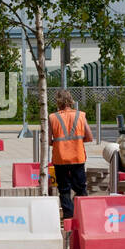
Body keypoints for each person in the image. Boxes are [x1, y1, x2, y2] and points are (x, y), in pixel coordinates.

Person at [48, 89, 91, 221]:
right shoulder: (80, 115)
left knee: (64, 189)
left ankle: (68, 216)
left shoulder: (52, 117)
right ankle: (83, 214)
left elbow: (49, 141)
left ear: (58, 102)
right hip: (77, 157)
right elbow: (89, 137)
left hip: (60, 158)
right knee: (80, 188)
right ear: (71, 100)